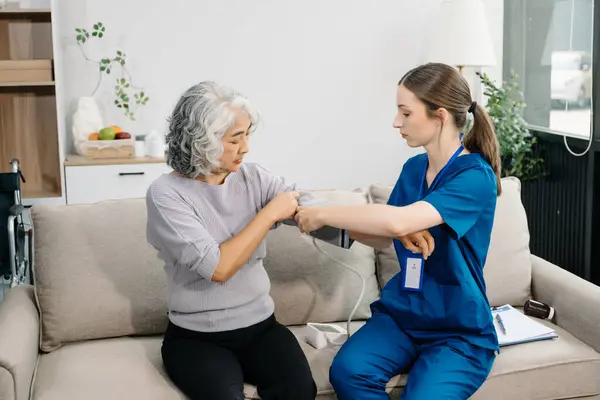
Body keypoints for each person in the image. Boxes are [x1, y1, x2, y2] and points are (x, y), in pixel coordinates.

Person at [295, 62, 502, 399]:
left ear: (439, 116)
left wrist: (325, 213)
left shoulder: (474, 177)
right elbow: (385, 236)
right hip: (403, 315)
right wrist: (329, 223)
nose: (396, 122)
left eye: (406, 113)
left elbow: (398, 221)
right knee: (349, 372)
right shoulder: (414, 167)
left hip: (457, 329)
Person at [146, 81, 317, 400]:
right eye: (235, 138)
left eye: (248, 135)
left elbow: (303, 201)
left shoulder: (254, 178)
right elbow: (218, 267)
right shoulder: (166, 195)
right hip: (197, 339)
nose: (246, 147)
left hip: (262, 328)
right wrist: (268, 215)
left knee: (299, 390)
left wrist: (384, 224)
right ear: (201, 142)